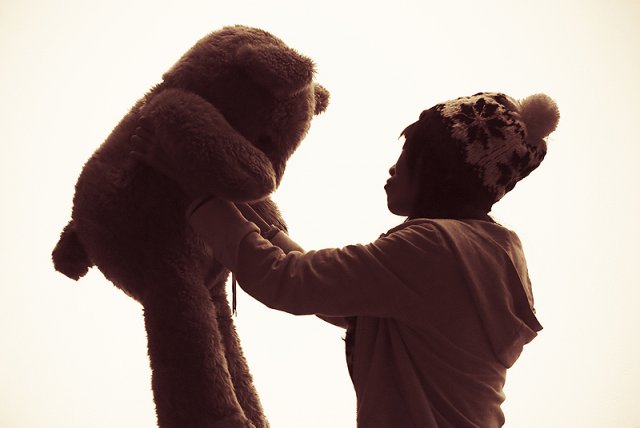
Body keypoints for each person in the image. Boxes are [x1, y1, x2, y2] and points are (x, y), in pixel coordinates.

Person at [131, 91, 559, 427]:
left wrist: (194, 190)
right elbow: (347, 303)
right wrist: (259, 218)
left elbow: (284, 280)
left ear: (438, 171)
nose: (393, 168)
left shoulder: (432, 247)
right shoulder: (492, 253)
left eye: (408, 153)